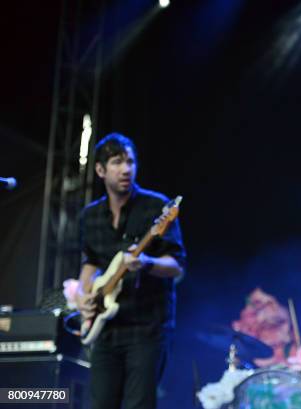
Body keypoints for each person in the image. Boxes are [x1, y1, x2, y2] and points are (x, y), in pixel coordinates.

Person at [75, 133, 186, 409]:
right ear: (100, 170)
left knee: (138, 405)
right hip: (106, 329)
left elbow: (177, 265)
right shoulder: (90, 216)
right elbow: (90, 264)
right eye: (117, 162)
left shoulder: (154, 207)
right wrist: (82, 296)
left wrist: (147, 263)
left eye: (130, 161)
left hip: (147, 328)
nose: (126, 169)